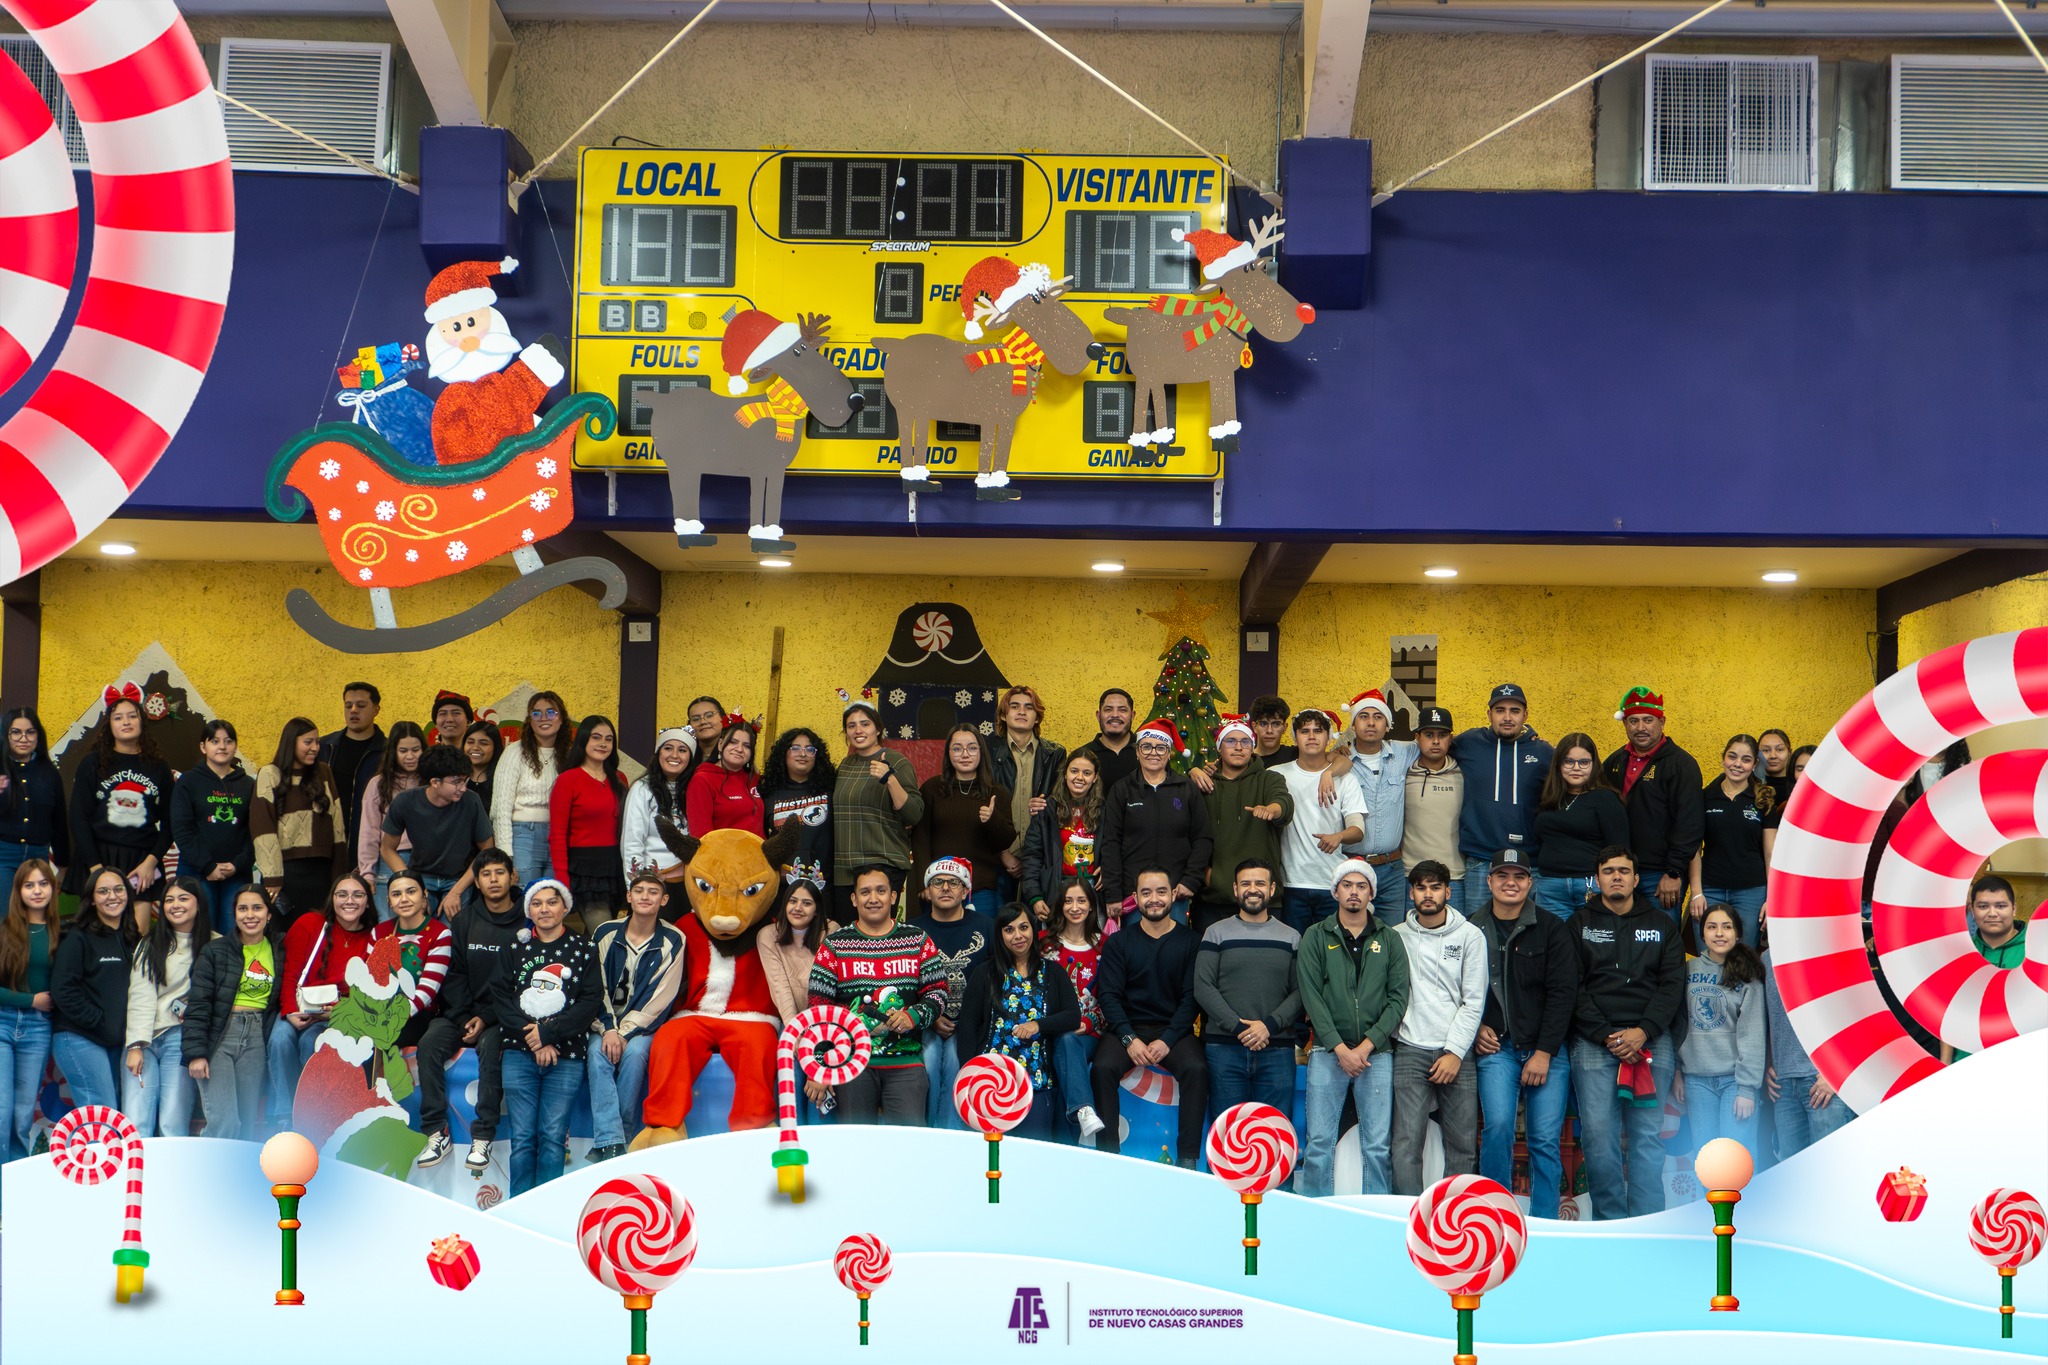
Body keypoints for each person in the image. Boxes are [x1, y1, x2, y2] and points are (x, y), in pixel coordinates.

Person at [1567, 846, 1687, 1219]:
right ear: (1597, 879)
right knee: (1599, 1138)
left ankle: (1649, 1225)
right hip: (1594, 1042)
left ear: (1636, 879)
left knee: (1648, 1139)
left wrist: (1643, 1031)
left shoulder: (1662, 924)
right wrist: (1606, 1034)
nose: (1616, 876)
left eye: (1623, 871)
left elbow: (1672, 985)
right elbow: (1571, 987)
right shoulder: (1579, 923)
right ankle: (1611, 1227)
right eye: (1608, 871)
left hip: (1652, 1041)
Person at [1468, 850, 1578, 1217]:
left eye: (1518, 876)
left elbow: (1564, 993)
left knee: (1544, 1139)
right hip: (1496, 1048)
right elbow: (1456, 988)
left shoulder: (1552, 928)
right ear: (1489, 881)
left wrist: (1544, 1052)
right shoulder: (1470, 928)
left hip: (1546, 1050)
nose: (1510, 883)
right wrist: (1476, 1026)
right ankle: (1495, 1218)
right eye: (1502, 875)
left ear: (1530, 883)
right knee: (1498, 1128)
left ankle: (1545, 1224)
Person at [1296, 858, 1409, 1197]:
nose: (1354, 892)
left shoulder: (1390, 938)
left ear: (1372, 892)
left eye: (1362, 886)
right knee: (1319, 1143)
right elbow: (1311, 996)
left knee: (1377, 1146)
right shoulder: (1316, 936)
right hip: (1328, 1052)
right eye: (1347, 885)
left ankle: (1376, 1215)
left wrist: (1366, 1046)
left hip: (1377, 1054)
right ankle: (1314, 1212)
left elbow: (1398, 999)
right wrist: (1340, 1048)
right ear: (1335, 892)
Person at [808, 865, 948, 1124]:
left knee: (908, 1141)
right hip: (851, 1062)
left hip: (906, 1062)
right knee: (856, 1142)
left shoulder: (917, 940)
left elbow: (938, 992)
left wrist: (913, 1016)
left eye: (881, 891)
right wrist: (819, 1064)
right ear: (854, 899)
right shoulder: (834, 946)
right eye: (865, 892)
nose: (873, 898)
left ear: (893, 896)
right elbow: (819, 1010)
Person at [416, 849, 524, 1172]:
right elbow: (454, 975)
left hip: (504, 1016)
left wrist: (487, 1018)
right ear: (476, 882)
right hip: (463, 1013)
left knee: (491, 1047)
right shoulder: (463, 920)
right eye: (486, 874)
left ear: (513, 877)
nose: (493, 880)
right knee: (429, 1043)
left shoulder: (527, 921)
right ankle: (436, 1132)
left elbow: (524, 982)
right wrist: (464, 1017)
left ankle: (483, 1136)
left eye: (500, 873)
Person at [1090, 868, 1207, 1164]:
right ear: (1135, 898)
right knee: (1102, 1068)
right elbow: (1108, 996)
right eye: (1146, 893)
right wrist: (1129, 1040)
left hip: (1173, 1031)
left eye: (1161, 892)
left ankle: (1188, 1160)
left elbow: (1192, 998)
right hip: (1127, 1029)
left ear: (1173, 895)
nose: (1154, 899)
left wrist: (1168, 1040)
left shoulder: (1192, 942)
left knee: (1196, 1069)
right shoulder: (1119, 943)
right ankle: (1108, 1157)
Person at [494, 878, 601, 1194]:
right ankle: (518, 1207)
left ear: (565, 907)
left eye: (552, 902)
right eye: (537, 903)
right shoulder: (515, 946)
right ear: (529, 910)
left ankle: (547, 1210)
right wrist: (534, 1038)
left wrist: (547, 1033)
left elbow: (589, 1002)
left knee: (553, 1138)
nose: (544, 909)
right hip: (518, 1051)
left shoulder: (585, 949)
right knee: (522, 1139)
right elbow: (501, 998)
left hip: (566, 1055)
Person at [1390, 859, 1487, 1193]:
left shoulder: (1471, 936)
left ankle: (1453, 1215)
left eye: (1435, 887)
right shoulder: (1396, 937)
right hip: (1409, 1048)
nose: (1428, 894)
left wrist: (1454, 1052)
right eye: (1421, 888)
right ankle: (1407, 1215)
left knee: (1463, 1145)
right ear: (1411, 893)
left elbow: (1474, 1000)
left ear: (1449, 891)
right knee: (1405, 1145)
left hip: (1456, 1052)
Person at [954, 900, 1079, 1140]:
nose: (1018, 936)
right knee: (991, 1154)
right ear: (1000, 935)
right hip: (988, 1082)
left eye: (1023, 927)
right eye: (1009, 930)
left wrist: (1038, 1025)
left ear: (1033, 928)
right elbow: (968, 1026)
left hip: (1036, 1081)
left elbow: (1073, 1016)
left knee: (1033, 1155)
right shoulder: (985, 973)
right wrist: (969, 1076)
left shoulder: (1053, 972)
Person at [1193, 860, 1300, 1128]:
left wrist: (1268, 1026)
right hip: (1224, 1050)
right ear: (1235, 889)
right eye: (1246, 884)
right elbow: (1203, 986)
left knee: (1276, 1135)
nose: (1253, 889)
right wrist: (1240, 1028)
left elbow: (1301, 991)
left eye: (1260, 883)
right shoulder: (1215, 933)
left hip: (1276, 1050)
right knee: (1226, 1134)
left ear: (1272, 889)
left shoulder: (1291, 937)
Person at [587, 872, 685, 1160]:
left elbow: (661, 997)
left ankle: (621, 1138)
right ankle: (613, 1141)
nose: (645, 896)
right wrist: (609, 1029)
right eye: (639, 890)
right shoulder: (605, 932)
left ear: (664, 900)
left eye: (653, 892)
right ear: (628, 896)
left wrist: (625, 1033)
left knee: (636, 1054)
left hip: (642, 1027)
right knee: (597, 1054)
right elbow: (594, 986)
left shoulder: (674, 939)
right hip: (603, 1023)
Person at [268, 871, 376, 1129]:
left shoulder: (374, 938)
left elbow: (370, 993)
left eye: (358, 895)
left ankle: (313, 1116)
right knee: (280, 1040)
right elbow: (290, 973)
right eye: (342, 894)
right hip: (298, 1005)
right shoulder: (311, 924)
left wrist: (336, 1012)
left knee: (312, 1042)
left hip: (338, 1013)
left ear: (367, 902)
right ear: (332, 899)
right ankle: (285, 1117)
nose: (349, 901)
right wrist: (290, 1011)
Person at [182, 884, 280, 1140]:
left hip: (257, 1036)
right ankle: (209, 1166)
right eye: (243, 909)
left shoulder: (279, 949)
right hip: (220, 1035)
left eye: (257, 908)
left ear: (269, 914)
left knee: (246, 1124)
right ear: (234, 914)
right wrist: (196, 1054)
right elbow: (199, 1003)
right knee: (225, 1122)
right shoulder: (214, 950)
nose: (250, 915)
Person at [67, 687, 177, 914]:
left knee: (139, 930)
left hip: (142, 860)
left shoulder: (159, 767)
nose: (126, 722)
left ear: (142, 721)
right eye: (118, 718)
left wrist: (151, 862)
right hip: (98, 856)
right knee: (98, 929)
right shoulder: (92, 763)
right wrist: (96, 868)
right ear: (109, 725)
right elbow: (78, 817)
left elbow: (171, 821)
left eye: (132, 716)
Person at [1447, 684, 1553, 915]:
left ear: (1525, 715)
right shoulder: (1468, 743)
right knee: (1477, 930)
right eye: (1500, 710)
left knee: (1528, 931)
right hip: (1480, 860)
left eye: (1514, 711)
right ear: (1489, 714)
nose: (1507, 717)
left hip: (1528, 863)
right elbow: (1430, 749)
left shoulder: (1544, 752)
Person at [909, 857, 997, 1129]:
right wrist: (930, 1017)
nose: (945, 888)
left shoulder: (986, 926)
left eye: (954, 883)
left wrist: (971, 1021)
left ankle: (951, 1135)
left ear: (965, 890)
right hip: (926, 1022)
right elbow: (904, 983)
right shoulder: (912, 931)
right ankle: (929, 1133)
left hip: (972, 1024)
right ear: (928, 890)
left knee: (957, 1062)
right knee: (929, 1061)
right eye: (938, 882)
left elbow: (997, 979)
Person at [122, 875, 212, 1136]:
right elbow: (140, 996)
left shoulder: (215, 943)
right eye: (169, 900)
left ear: (198, 904)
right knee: (136, 1123)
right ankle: (137, 1165)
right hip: (145, 1040)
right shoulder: (150, 944)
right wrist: (135, 1046)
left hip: (181, 1039)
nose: (176, 905)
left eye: (183, 898)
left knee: (172, 1123)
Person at [1676, 902, 1766, 1163]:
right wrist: (1677, 1072)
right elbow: (1679, 1023)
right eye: (1711, 927)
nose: (1719, 933)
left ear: (1737, 933)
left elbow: (1753, 1034)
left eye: (1727, 927)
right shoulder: (1688, 970)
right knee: (1707, 1161)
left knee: (1736, 1160)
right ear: (1702, 934)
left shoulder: (1748, 974)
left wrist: (1747, 1089)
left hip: (1734, 1081)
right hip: (1696, 1080)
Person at [1602, 688, 1704, 914]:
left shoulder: (1681, 765)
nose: (1641, 727)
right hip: (1620, 871)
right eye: (1633, 721)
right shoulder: (1614, 762)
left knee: (1660, 935)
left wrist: (1674, 872)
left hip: (1661, 876)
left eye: (1648, 720)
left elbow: (1690, 823)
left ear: (1662, 722)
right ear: (1624, 723)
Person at [1099, 719, 1213, 921]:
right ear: (1137, 752)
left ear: (1169, 753)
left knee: (1173, 942)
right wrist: (1113, 894)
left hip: (1175, 893)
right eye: (1146, 747)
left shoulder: (1187, 789)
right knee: (1135, 942)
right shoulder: (1122, 789)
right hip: (1133, 894)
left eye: (1161, 748)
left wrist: (1191, 880)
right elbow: (1111, 843)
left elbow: (1202, 838)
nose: (1153, 753)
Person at [51, 865, 141, 1108]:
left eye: (118, 889)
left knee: (115, 1113)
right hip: (80, 1035)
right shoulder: (77, 936)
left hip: (116, 1041)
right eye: (103, 891)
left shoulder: (133, 938)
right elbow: (63, 989)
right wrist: (99, 1020)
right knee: (102, 1111)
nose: (112, 896)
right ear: (91, 899)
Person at [1196, 714, 1292, 939]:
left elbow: (1284, 803)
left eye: (1245, 742)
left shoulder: (1269, 778)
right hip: (1213, 900)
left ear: (1252, 746)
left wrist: (1272, 809)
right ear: (1219, 748)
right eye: (1231, 741)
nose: (1238, 747)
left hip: (1263, 899)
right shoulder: (1204, 785)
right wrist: (1207, 875)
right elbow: (1187, 835)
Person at [830, 698, 924, 921]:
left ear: (878, 729)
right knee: (849, 934)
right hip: (845, 869)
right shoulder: (845, 765)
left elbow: (914, 814)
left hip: (883, 864)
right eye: (851, 725)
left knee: (877, 934)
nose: (858, 730)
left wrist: (889, 778)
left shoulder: (897, 762)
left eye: (865, 724)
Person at [1272, 711, 1366, 932]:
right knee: (1294, 949)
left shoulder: (1346, 779)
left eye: (1318, 731)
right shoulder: (1276, 775)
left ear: (1328, 736)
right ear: (1295, 737)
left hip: (1331, 883)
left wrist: (1339, 836)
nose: (1311, 736)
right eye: (1304, 731)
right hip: (1290, 884)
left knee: (1332, 949)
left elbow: (1358, 829)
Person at [1334, 689, 1418, 927]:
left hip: (1392, 869)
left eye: (1378, 717)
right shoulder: (1340, 761)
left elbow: (1440, 742)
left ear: (1387, 725)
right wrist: (1332, 757)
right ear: (1353, 724)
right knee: (1350, 934)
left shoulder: (1404, 752)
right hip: (1351, 867)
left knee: (1391, 935)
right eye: (1363, 716)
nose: (1371, 722)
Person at [381, 744, 493, 920]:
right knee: (413, 925)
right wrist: (412, 884)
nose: (463, 788)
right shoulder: (405, 801)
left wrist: (456, 892)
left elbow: (487, 849)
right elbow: (387, 849)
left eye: (464, 781)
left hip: (458, 879)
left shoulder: (471, 801)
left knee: (452, 930)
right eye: (456, 782)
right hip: (421, 875)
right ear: (435, 782)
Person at [252, 717, 348, 922]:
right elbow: (263, 828)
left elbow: (337, 825)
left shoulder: (324, 772)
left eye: (317, 742)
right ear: (291, 742)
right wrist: (272, 877)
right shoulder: (270, 774)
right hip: (286, 874)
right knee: (285, 934)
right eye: (308, 742)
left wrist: (340, 876)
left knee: (319, 931)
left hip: (322, 874)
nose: (315, 748)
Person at [1761, 945, 1851, 1159]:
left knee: (1829, 1169)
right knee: (1795, 1174)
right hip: (1783, 1084)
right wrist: (1767, 1063)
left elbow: (1857, 1012)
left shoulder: (1827, 945)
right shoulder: (1766, 958)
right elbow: (1766, 1015)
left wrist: (1838, 1071)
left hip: (1823, 1079)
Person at [912, 726, 1014, 913]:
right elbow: (920, 839)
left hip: (981, 890)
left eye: (972, 748)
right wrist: (923, 883)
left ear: (981, 752)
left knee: (982, 933)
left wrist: (992, 819)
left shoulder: (997, 792)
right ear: (948, 753)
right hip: (938, 887)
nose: (965, 754)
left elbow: (1005, 841)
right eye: (957, 748)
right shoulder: (932, 789)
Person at [1528, 733, 1630, 920]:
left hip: (1591, 886)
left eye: (1584, 762)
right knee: (1554, 939)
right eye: (1568, 762)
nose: (1576, 768)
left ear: (1593, 764)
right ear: (1558, 764)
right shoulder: (1550, 797)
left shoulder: (1606, 798)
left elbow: (1619, 849)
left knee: (1595, 938)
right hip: (1550, 887)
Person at [170, 718, 254, 935]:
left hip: (236, 873)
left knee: (234, 935)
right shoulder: (188, 782)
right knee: (197, 933)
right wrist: (208, 866)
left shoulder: (249, 785)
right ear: (203, 746)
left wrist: (237, 864)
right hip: (196, 871)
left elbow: (255, 833)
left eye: (228, 741)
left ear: (235, 746)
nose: (222, 746)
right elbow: (182, 830)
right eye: (215, 741)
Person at [1688, 734, 1772, 946]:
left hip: (1751, 892)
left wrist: (1772, 897)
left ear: (1754, 764)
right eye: (1732, 756)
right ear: (1723, 758)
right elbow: (1694, 847)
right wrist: (1696, 892)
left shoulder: (1763, 800)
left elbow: (1770, 853)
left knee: (1743, 958)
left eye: (1746, 759)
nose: (1737, 764)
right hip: (1710, 889)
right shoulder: (1704, 797)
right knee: (1709, 956)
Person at [0, 860, 59, 1158]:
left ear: (53, 888)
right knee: (1, 1109)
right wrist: (30, 1000)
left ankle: (16, 1178)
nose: (37, 891)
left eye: (43, 884)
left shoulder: (63, 933)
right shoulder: (4, 930)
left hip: (38, 1028)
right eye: (29, 885)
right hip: (2, 1023)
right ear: (18, 890)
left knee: (23, 1113)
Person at [551, 716, 629, 931]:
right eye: (596, 737)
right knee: (605, 933)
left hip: (615, 866)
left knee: (601, 936)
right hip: (584, 870)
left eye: (608, 739)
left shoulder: (620, 779)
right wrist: (562, 881)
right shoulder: (568, 780)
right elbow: (557, 834)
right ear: (583, 740)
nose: (603, 743)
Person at [1046, 877, 1109, 1142]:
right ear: (1060, 906)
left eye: (1081, 900)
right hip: (1047, 1030)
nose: (1075, 907)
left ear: (1092, 905)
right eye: (1068, 901)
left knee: (1069, 1041)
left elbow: (1112, 997)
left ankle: (1078, 1117)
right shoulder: (1043, 944)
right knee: (1065, 1048)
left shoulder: (1105, 946)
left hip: (1087, 1034)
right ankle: (1082, 1111)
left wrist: (1089, 1022)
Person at [1942, 875, 2029, 1065]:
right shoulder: (1961, 953)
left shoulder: (2035, 950)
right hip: (1965, 1061)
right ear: (1972, 911)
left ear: (2014, 909)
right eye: (1983, 906)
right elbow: (1950, 1014)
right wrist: (1945, 1064)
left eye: (2000, 906)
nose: (1992, 913)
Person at [990, 686, 1064, 904]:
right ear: (1004, 715)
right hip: (996, 858)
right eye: (1014, 706)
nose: (1022, 712)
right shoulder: (987, 750)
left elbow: (1063, 805)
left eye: (1029, 708)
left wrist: (1049, 803)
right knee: (1000, 921)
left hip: (1040, 858)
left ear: (1037, 717)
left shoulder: (1055, 754)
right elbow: (978, 805)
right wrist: (1002, 853)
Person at [367, 869, 453, 1053]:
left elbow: (428, 989)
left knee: (378, 1039)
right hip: (380, 1013)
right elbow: (370, 982)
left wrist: (393, 1017)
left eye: (411, 892)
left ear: (424, 895)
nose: (404, 899)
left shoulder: (440, 933)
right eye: (396, 894)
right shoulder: (379, 932)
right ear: (389, 900)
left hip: (418, 1014)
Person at [492, 690, 571, 884]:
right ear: (529, 721)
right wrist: (506, 854)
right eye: (536, 713)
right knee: (524, 894)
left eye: (551, 712)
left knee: (553, 895)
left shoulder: (569, 756)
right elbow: (500, 808)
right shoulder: (514, 752)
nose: (544, 718)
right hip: (523, 836)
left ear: (561, 719)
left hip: (559, 837)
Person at [1021, 750, 1104, 924]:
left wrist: (1109, 869)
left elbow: (1114, 847)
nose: (1079, 777)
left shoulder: (1105, 811)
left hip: (1094, 893)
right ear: (1065, 773)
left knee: (1094, 940)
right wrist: (1034, 896)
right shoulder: (1046, 809)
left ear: (1095, 777)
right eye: (1074, 771)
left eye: (1087, 773)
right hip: (1055, 890)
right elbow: (1032, 855)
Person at [357, 721, 426, 919]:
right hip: (388, 859)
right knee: (387, 923)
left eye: (415, 750)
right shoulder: (378, 784)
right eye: (403, 750)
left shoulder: (431, 781)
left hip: (425, 860)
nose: (410, 756)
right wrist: (367, 873)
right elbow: (369, 832)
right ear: (393, 751)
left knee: (421, 923)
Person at [1, 708, 68, 895]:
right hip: (4, 855)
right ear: (5, 735)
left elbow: (59, 821)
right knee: (5, 912)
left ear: (38, 736)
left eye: (30, 732)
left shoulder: (50, 773)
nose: (24, 739)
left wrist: (63, 865)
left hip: (38, 856)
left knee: (35, 910)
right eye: (16, 732)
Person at [1402, 707, 1464, 910]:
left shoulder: (1464, 773)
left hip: (1454, 876)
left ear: (1451, 738)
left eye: (1442, 735)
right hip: (1411, 875)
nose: (1436, 741)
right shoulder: (1403, 774)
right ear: (1417, 737)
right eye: (1429, 735)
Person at [762, 727, 834, 892]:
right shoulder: (767, 794)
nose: (803, 754)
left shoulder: (831, 791)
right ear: (783, 753)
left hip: (822, 887)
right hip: (781, 888)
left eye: (809, 749)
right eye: (795, 748)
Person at [623, 726, 697, 885]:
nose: (674, 755)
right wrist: (636, 886)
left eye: (682, 750)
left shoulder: (697, 788)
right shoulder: (642, 788)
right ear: (658, 753)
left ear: (690, 757)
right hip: (653, 879)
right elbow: (632, 842)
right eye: (668, 748)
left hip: (691, 879)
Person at [318, 682, 384, 856]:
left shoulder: (387, 751)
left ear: (376, 710)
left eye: (361, 705)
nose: (353, 710)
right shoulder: (324, 747)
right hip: (327, 843)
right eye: (348, 706)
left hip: (370, 844)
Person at [687, 721, 765, 836]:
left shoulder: (753, 778)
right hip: (719, 847)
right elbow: (701, 834)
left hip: (758, 847)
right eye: (733, 742)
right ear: (720, 744)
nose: (739, 749)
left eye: (747, 746)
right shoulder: (702, 779)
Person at [1077, 688, 1139, 792]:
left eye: (1122, 710)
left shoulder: (1147, 752)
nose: (1115, 715)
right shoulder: (1083, 756)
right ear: (1098, 716)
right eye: (1108, 709)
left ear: (1132, 716)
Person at [461, 719, 503, 816]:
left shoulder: (502, 780)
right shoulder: (454, 776)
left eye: (484, 743)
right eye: (470, 742)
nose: (475, 747)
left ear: (495, 748)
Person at [1247, 694, 1298, 768]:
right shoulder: (1245, 760)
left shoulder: (1297, 756)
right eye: (1263, 724)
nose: (1269, 730)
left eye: (1276, 724)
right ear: (1254, 726)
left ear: (1284, 727)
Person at [684, 695, 727, 779]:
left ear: (723, 717)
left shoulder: (734, 752)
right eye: (696, 719)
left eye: (709, 715)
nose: (703, 722)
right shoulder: (685, 755)